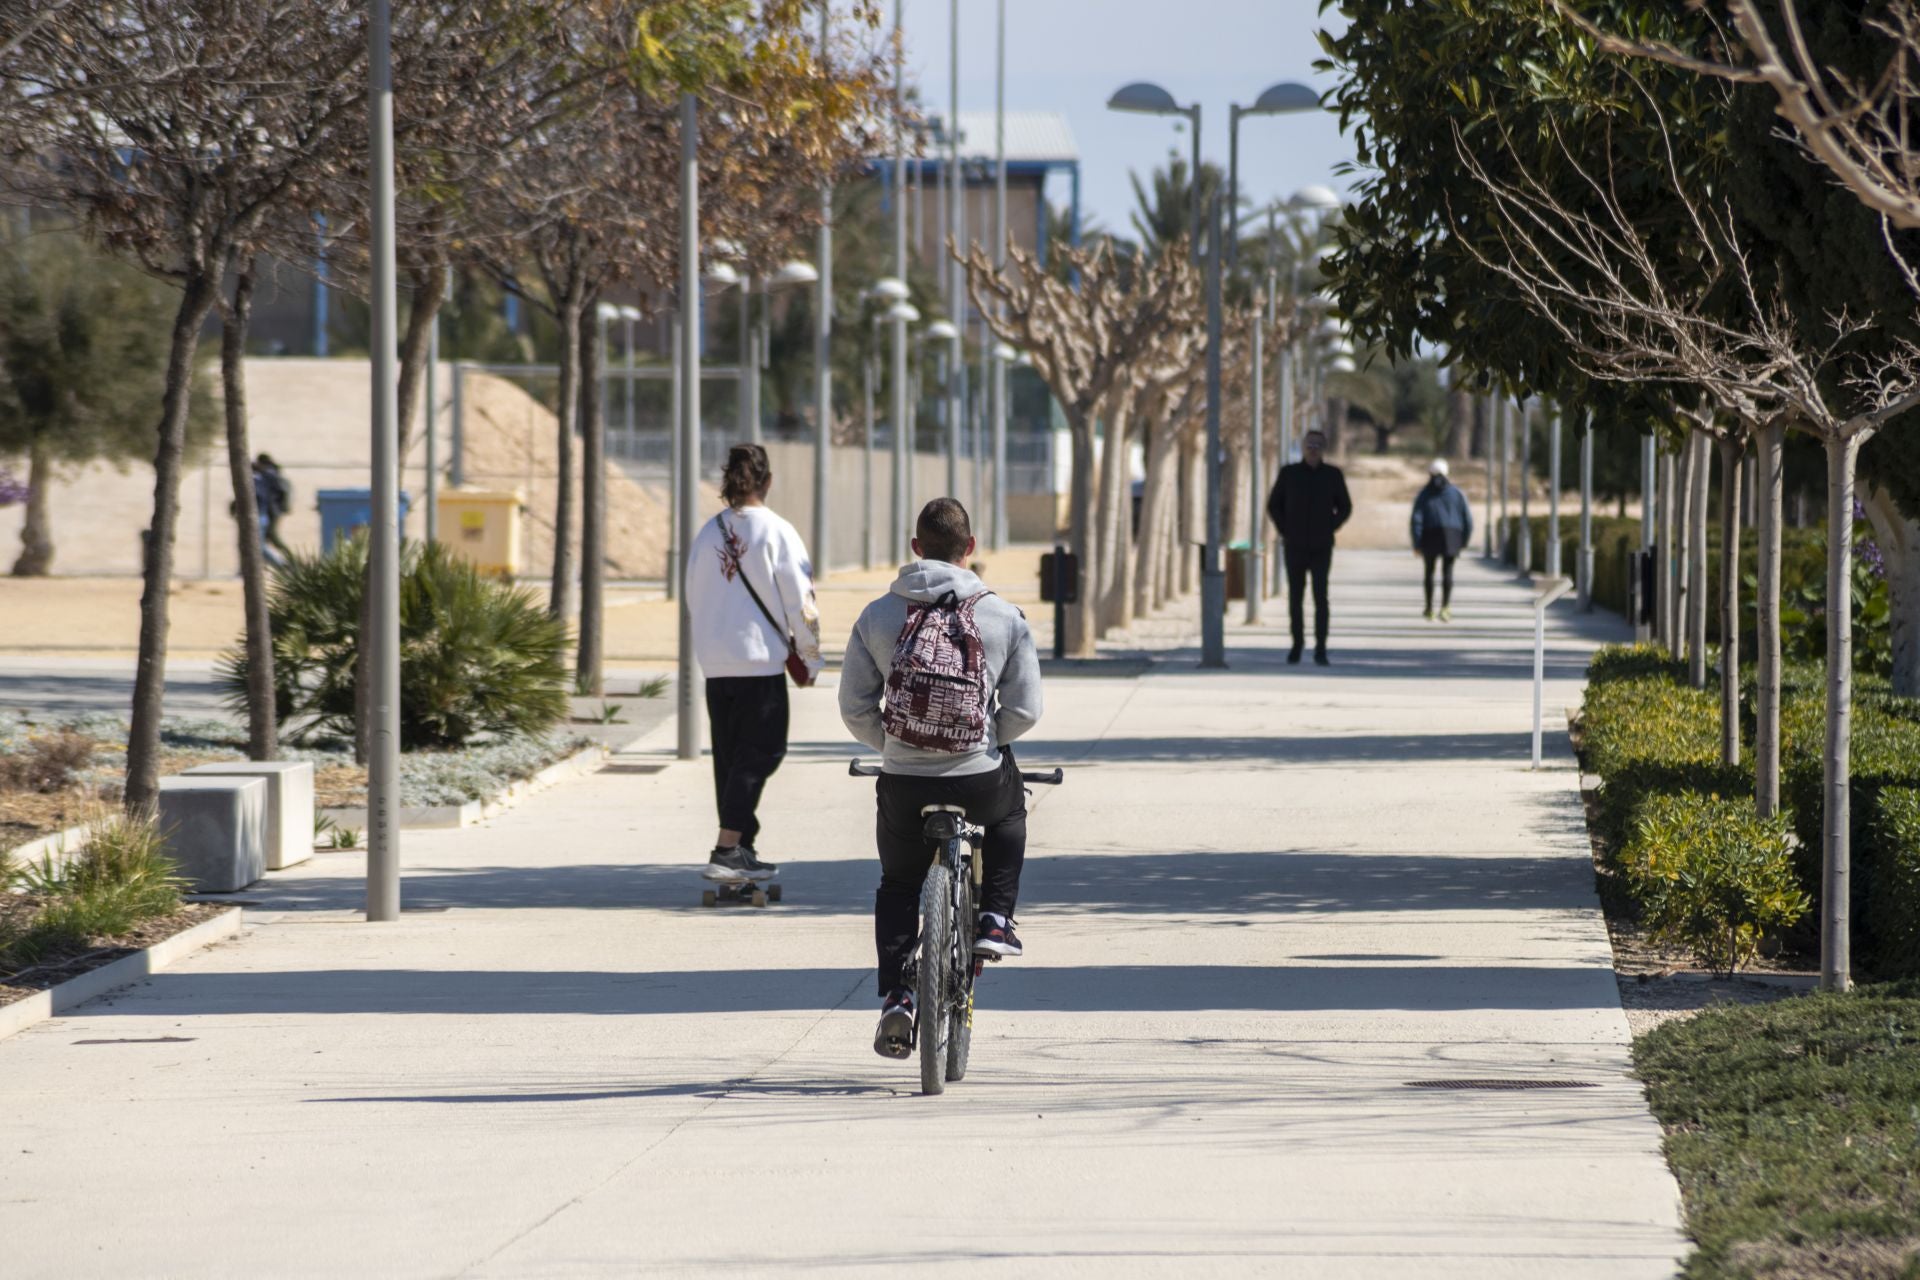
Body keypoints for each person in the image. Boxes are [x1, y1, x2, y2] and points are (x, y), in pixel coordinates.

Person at [840, 497, 1043, 1059]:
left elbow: (855, 707)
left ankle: (900, 996)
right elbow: (1025, 710)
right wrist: (983, 740)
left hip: (903, 783)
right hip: (977, 777)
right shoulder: (1003, 615)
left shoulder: (878, 615)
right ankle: (996, 919)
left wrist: (899, 746)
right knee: (1011, 810)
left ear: (915, 550)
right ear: (970, 549)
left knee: (900, 883)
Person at [684, 444, 823, 884]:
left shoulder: (708, 533)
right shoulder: (778, 531)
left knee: (730, 761)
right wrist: (811, 659)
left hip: (716, 662)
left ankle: (743, 845)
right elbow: (802, 604)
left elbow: (692, 594)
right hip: (759, 664)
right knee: (762, 752)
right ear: (767, 481)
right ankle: (726, 848)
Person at [1267, 428, 1352, 666]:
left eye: (1317, 445)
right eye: (1309, 445)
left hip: (1321, 546)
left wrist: (1330, 527)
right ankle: (1296, 645)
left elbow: (1345, 507)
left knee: (1320, 597)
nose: (1313, 450)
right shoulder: (1289, 474)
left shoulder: (1333, 475)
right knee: (1295, 597)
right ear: (1303, 448)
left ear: (1323, 449)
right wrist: (1286, 529)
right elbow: (1274, 505)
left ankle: (1321, 648)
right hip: (1294, 545)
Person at [1410, 458, 1473, 622]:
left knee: (1429, 572)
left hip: (1429, 535)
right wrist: (1464, 540)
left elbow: (1416, 519)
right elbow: (1467, 519)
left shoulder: (1424, 494)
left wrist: (1417, 542)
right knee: (1448, 572)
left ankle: (1429, 608)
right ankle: (1445, 607)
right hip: (1452, 536)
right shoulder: (1457, 493)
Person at [246, 454, 292, 569]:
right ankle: (269, 565)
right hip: (268, 512)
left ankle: (285, 564)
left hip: (269, 512)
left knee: (262, 542)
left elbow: (274, 492)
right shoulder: (268, 474)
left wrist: (277, 507)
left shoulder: (269, 474)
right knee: (264, 541)